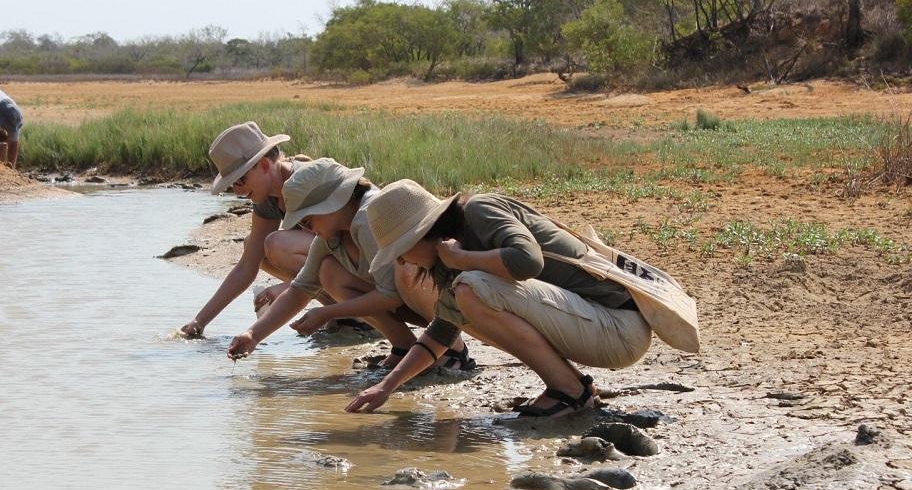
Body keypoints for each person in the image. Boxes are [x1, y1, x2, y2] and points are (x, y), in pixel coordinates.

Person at [344, 181, 652, 417]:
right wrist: (387, 386)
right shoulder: (450, 260)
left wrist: (462, 259)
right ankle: (572, 386)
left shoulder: (478, 212)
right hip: (593, 325)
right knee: (465, 298)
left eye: (399, 252)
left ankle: (570, 392)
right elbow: (443, 331)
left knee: (471, 290)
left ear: (421, 234)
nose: (400, 263)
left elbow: (527, 262)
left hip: (618, 329)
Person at [226, 160, 475, 368]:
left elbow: (392, 296)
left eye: (307, 218)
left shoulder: (369, 218)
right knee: (328, 272)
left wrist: (327, 312)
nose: (302, 227)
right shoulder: (331, 234)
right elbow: (300, 289)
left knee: (405, 269)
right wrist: (253, 335)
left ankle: (451, 349)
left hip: (452, 303)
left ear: (333, 203)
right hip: (413, 302)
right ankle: (404, 347)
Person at [179, 121, 321, 339]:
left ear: (264, 165)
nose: (236, 192)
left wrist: (288, 288)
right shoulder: (267, 196)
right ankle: (339, 313)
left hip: (368, 273)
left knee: (276, 244)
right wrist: (200, 321)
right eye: (231, 184)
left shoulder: (304, 182)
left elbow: (336, 251)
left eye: (240, 180)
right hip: (334, 274)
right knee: (256, 249)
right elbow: (247, 265)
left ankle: (347, 310)